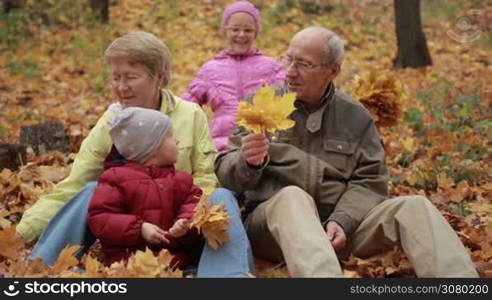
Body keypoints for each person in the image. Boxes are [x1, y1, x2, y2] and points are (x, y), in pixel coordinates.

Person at [214, 26, 479, 277]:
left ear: (333, 71)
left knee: (414, 206)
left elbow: (371, 181)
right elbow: (227, 175)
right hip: (273, 228)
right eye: (288, 60)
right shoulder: (259, 105)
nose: (291, 72)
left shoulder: (355, 116)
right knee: (292, 197)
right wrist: (248, 162)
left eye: (304, 64)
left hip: (340, 229)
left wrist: (344, 220)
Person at [17, 31, 254, 277]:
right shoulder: (112, 122)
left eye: (130, 77)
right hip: (128, 230)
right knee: (88, 190)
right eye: (115, 78)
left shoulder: (190, 114)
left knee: (221, 195)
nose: (121, 87)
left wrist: (185, 218)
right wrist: (21, 233)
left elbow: (205, 178)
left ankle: (228, 277)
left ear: (159, 77)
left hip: (180, 224)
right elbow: (73, 185)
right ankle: (41, 268)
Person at [88, 107, 202, 267]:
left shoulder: (182, 180)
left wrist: (185, 222)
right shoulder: (115, 178)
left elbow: (194, 204)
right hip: (129, 262)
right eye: (169, 136)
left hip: (176, 261)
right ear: (150, 147)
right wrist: (139, 229)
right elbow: (101, 217)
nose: (177, 141)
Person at [182, 0, 285, 152]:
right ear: (225, 31)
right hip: (221, 148)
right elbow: (187, 106)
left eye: (248, 30)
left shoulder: (270, 67)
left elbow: (290, 99)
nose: (241, 35)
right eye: (235, 29)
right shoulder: (210, 69)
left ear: (256, 33)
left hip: (260, 146)